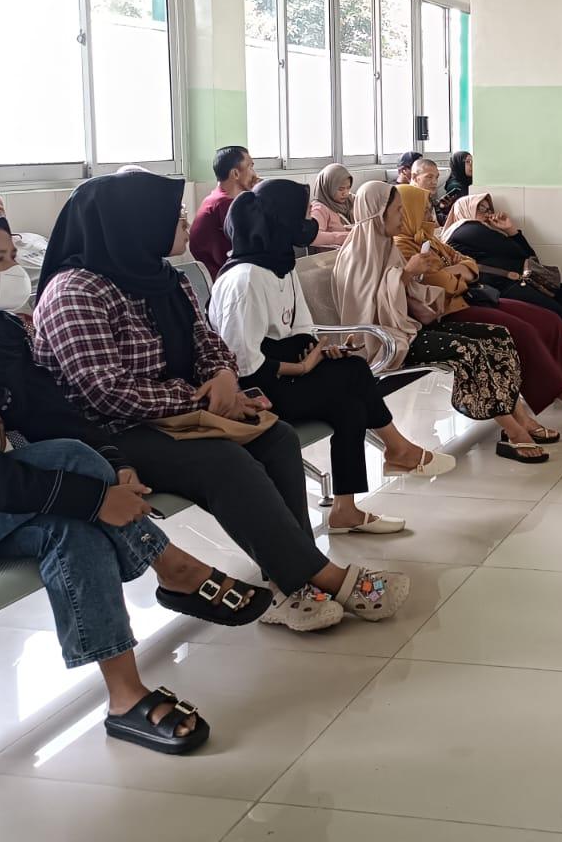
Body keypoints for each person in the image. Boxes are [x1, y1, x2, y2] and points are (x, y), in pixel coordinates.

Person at [0, 215, 276, 754]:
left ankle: (124, 698)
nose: (13, 272)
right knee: (71, 468)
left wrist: (111, 464)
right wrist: (96, 495)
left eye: (12, 257)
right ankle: (173, 567)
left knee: (71, 529)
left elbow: (47, 410)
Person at [30, 170, 409, 632]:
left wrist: (223, 376)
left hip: (181, 413)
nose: (184, 220)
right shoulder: (75, 292)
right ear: (133, 223)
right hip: (109, 433)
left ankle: (288, 577)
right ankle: (320, 576)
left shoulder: (164, 277)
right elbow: (104, 389)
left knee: (277, 439)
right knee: (223, 461)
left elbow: (207, 340)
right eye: (171, 215)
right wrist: (198, 399)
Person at [208, 180, 456, 535]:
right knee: (353, 374)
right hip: (257, 389)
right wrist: (303, 365)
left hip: (288, 372)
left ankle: (346, 509)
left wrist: (322, 350)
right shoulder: (244, 280)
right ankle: (398, 450)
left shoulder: (280, 266)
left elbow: (302, 328)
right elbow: (242, 364)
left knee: (350, 403)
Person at [392, 184, 562, 431]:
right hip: (449, 311)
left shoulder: (429, 240)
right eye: (423, 209)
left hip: (473, 297)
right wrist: (460, 273)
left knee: (549, 319)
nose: (430, 213)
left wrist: (459, 271)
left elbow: (471, 265)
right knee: (523, 331)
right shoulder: (407, 244)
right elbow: (442, 284)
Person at [333, 182, 550, 464]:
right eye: (397, 210)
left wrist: (414, 276)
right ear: (378, 214)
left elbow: (408, 295)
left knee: (498, 337)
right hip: (385, 339)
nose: (402, 216)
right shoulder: (356, 254)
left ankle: (519, 417)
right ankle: (513, 430)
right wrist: (407, 275)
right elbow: (363, 309)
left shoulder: (387, 246)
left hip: (409, 327)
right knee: (470, 349)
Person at [441, 193, 562, 368]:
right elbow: (519, 252)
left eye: (488, 208)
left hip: (519, 283)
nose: (487, 213)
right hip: (500, 289)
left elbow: (530, 257)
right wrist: (509, 233)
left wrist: (510, 230)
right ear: (466, 210)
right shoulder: (467, 228)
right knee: (557, 313)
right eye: (480, 209)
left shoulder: (481, 231)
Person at [189, 145, 257, 279]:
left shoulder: (215, 198)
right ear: (235, 173)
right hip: (225, 278)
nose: (254, 174)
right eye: (250, 167)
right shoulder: (225, 204)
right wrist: (261, 191)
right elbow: (257, 240)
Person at [308, 163, 355, 249]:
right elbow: (313, 237)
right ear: (328, 187)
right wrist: (345, 237)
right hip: (331, 255)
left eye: (348, 188)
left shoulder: (349, 200)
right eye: (340, 189)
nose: (345, 193)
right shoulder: (319, 209)